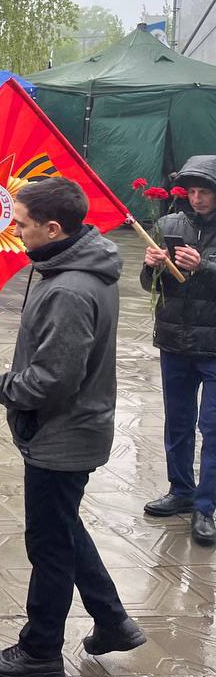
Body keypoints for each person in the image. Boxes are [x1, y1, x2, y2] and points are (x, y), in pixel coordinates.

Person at [0, 178, 142, 677]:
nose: (14, 231)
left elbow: (53, 379)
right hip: (73, 428)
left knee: (48, 545)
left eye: (21, 224)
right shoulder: (74, 266)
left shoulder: (69, 287)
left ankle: (40, 650)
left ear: (53, 227)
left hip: (62, 434)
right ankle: (112, 621)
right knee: (63, 525)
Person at [140, 155, 216, 547]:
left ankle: (206, 507)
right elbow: (147, 283)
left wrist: (203, 265)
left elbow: (204, 270)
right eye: (193, 191)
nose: (198, 198)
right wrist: (152, 264)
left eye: (206, 191)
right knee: (178, 421)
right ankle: (181, 490)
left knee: (213, 428)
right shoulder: (169, 224)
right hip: (175, 340)